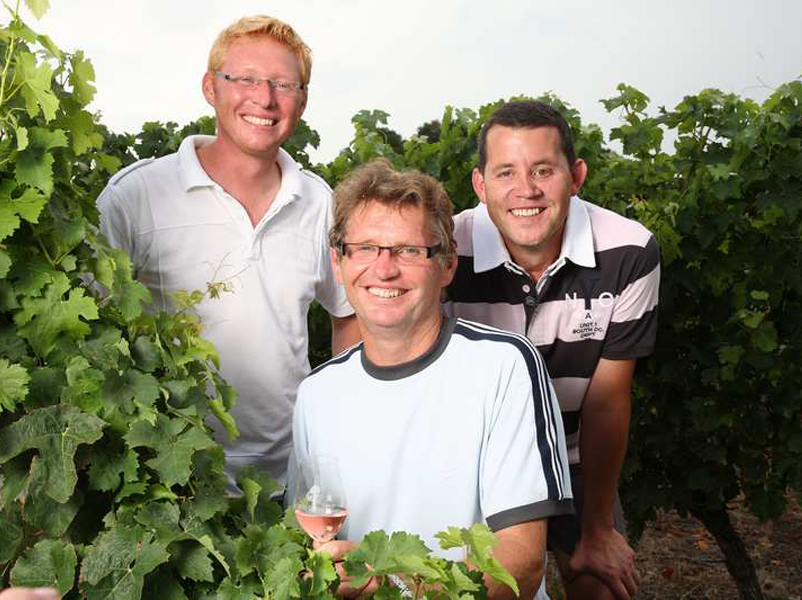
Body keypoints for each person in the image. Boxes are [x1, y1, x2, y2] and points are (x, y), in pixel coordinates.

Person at [288, 159, 573, 599]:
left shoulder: (504, 367)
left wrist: (401, 589)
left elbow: (521, 560)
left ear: (447, 266)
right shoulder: (316, 394)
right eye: (364, 248)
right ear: (338, 263)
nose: (383, 269)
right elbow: (306, 542)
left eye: (408, 251)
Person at [97, 16, 358, 487]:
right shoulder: (134, 197)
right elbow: (90, 330)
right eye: (246, 79)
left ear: (302, 100)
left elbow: (348, 316)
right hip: (167, 478)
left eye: (283, 83)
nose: (265, 98)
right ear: (210, 88)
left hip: (292, 478)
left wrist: (336, 429)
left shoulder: (321, 204)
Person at [444, 100, 660, 600]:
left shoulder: (629, 250)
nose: (527, 190)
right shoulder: (447, 247)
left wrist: (599, 530)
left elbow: (607, 402)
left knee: (603, 586)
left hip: (572, 458)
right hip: (470, 458)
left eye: (544, 169)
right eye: (506, 172)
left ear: (576, 175)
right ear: (480, 185)